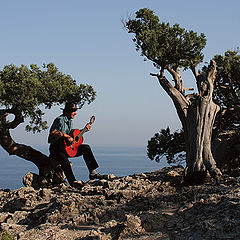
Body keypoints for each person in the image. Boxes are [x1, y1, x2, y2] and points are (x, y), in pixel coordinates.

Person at [48, 102, 102, 188]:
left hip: (67, 148)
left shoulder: (70, 121)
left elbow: (73, 136)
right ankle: (73, 182)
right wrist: (65, 136)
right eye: (73, 111)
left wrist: (84, 130)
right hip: (57, 149)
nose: (75, 113)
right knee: (64, 160)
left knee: (86, 148)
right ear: (67, 111)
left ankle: (93, 172)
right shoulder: (59, 120)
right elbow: (52, 133)